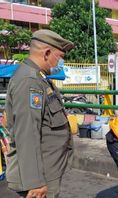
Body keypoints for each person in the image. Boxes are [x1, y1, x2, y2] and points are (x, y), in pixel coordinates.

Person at [5, 29, 74, 198]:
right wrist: (34, 181)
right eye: (59, 56)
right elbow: (27, 133)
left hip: (47, 170)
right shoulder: (30, 82)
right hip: (40, 178)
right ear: (47, 53)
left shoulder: (39, 78)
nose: (60, 62)